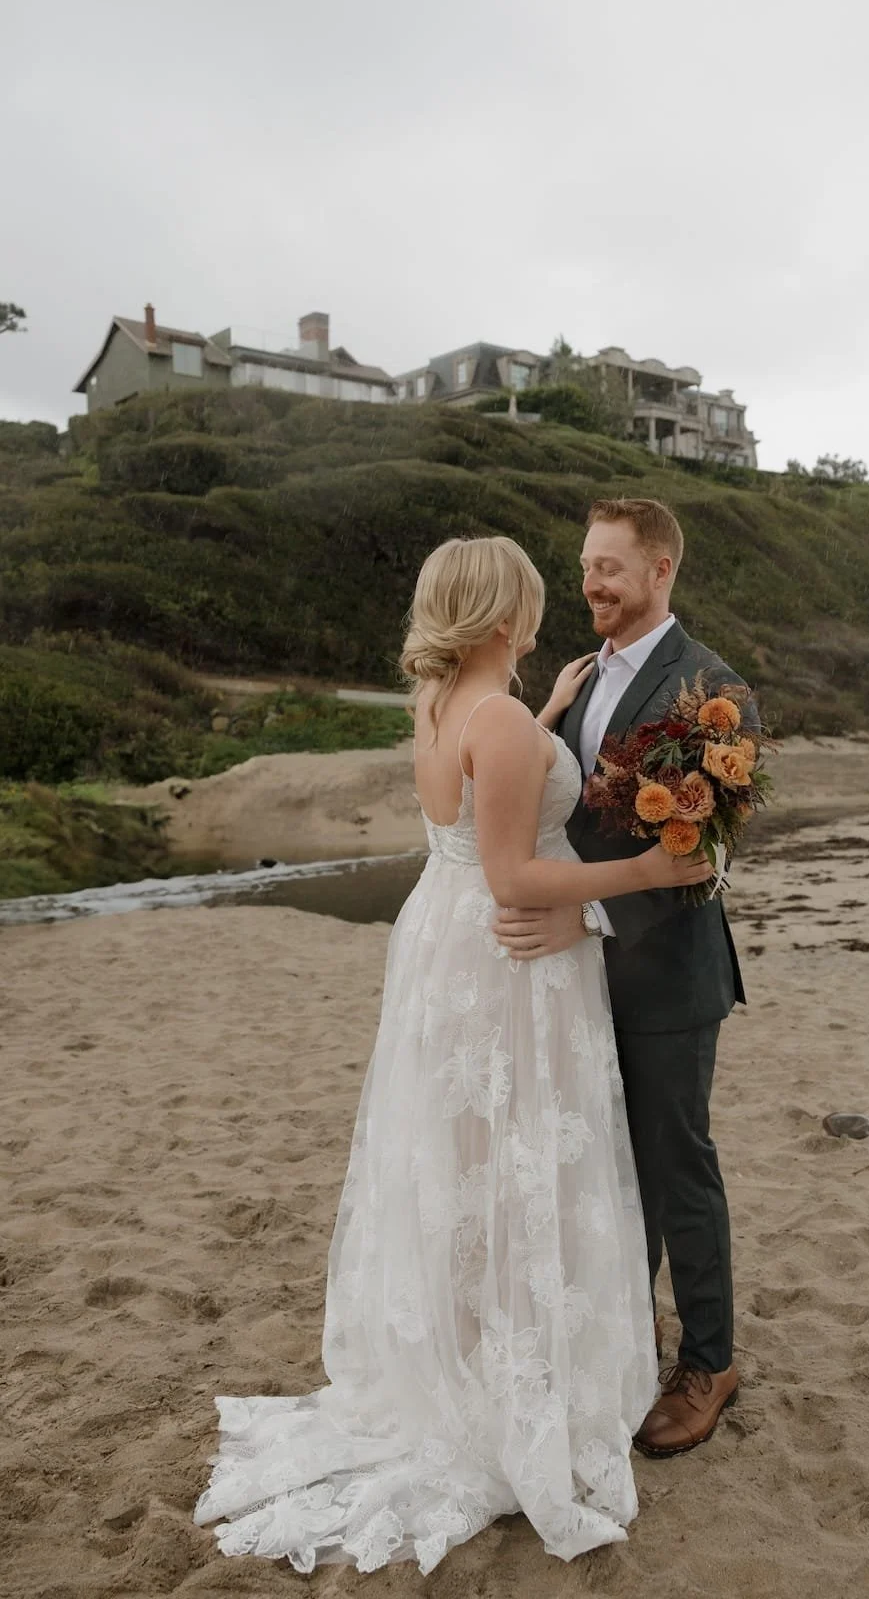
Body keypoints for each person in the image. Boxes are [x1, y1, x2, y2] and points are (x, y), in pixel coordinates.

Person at [193, 535, 713, 1575]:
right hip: (510, 957)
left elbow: (484, 793)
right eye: (529, 596)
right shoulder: (502, 721)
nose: (542, 610)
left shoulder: (436, 706)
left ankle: (467, 1348)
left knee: (465, 1156)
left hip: (442, 942)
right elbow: (517, 876)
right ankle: (509, 1375)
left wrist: (549, 721)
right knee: (514, 1150)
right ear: (495, 617)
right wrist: (652, 866)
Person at [495, 498, 758, 1459]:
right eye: (584, 566)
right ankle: (621, 1339)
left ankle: (711, 1360)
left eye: (610, 566)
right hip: (573, 976)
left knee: (674, 1166)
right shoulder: (575, 675)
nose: (592, 583)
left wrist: (587, 911)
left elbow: (704, 857)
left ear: (661, 573)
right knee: (600, 1166)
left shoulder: (713, 692)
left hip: (665, 977)